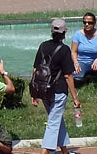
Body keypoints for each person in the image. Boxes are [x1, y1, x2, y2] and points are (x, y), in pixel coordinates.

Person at [31, 18, 79, 154]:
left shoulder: (42, 46)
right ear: (64, 33)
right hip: (59, 91)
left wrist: (34, 93)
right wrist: (75, 98)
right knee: (53, 122)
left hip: (44, 90)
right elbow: (68, 76)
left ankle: (65, 151)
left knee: (57, 119)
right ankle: (45, 151)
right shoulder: (64, 50)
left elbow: (35, 70)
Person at [72, 13, 97, 88]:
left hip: (96, 62)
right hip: (81, 62)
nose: (87, 24)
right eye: (84, 22)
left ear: (94, 23)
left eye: (90, 23)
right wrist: (76, 63)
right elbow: (73, 51)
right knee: (77, 80)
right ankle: (85, 77)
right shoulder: (77, 34)